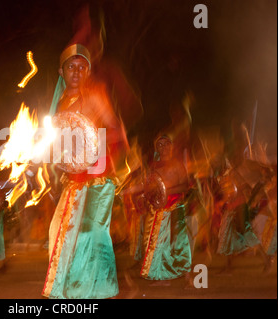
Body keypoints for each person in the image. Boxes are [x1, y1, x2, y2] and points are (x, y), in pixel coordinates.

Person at [42, 43, 128, 299]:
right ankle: (74, 289)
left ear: (88, 72)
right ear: (61, 71)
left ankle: (101, 289)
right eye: (71, 66)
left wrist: (92, 141)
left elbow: (117, 130)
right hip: (74, 180)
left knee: (91, 231)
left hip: (100, 177)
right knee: (59, 230)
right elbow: (59, 146)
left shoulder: (95, 96)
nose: (77, 72)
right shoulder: (59, 104)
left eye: (82, 67)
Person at [126, 135, 193, 286]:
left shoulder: (177, 164)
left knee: (178, 242)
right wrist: (135, 193)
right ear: (157, 148)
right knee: (158, 244)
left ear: (171, 146)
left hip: (174, 206)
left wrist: (167, 191)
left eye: (166, 144)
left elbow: (185, 186)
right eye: (160, 145)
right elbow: (149, 186)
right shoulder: (154, 166)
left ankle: (187, 277)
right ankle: (164, 277)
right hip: (157, 209)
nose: (163, 147)